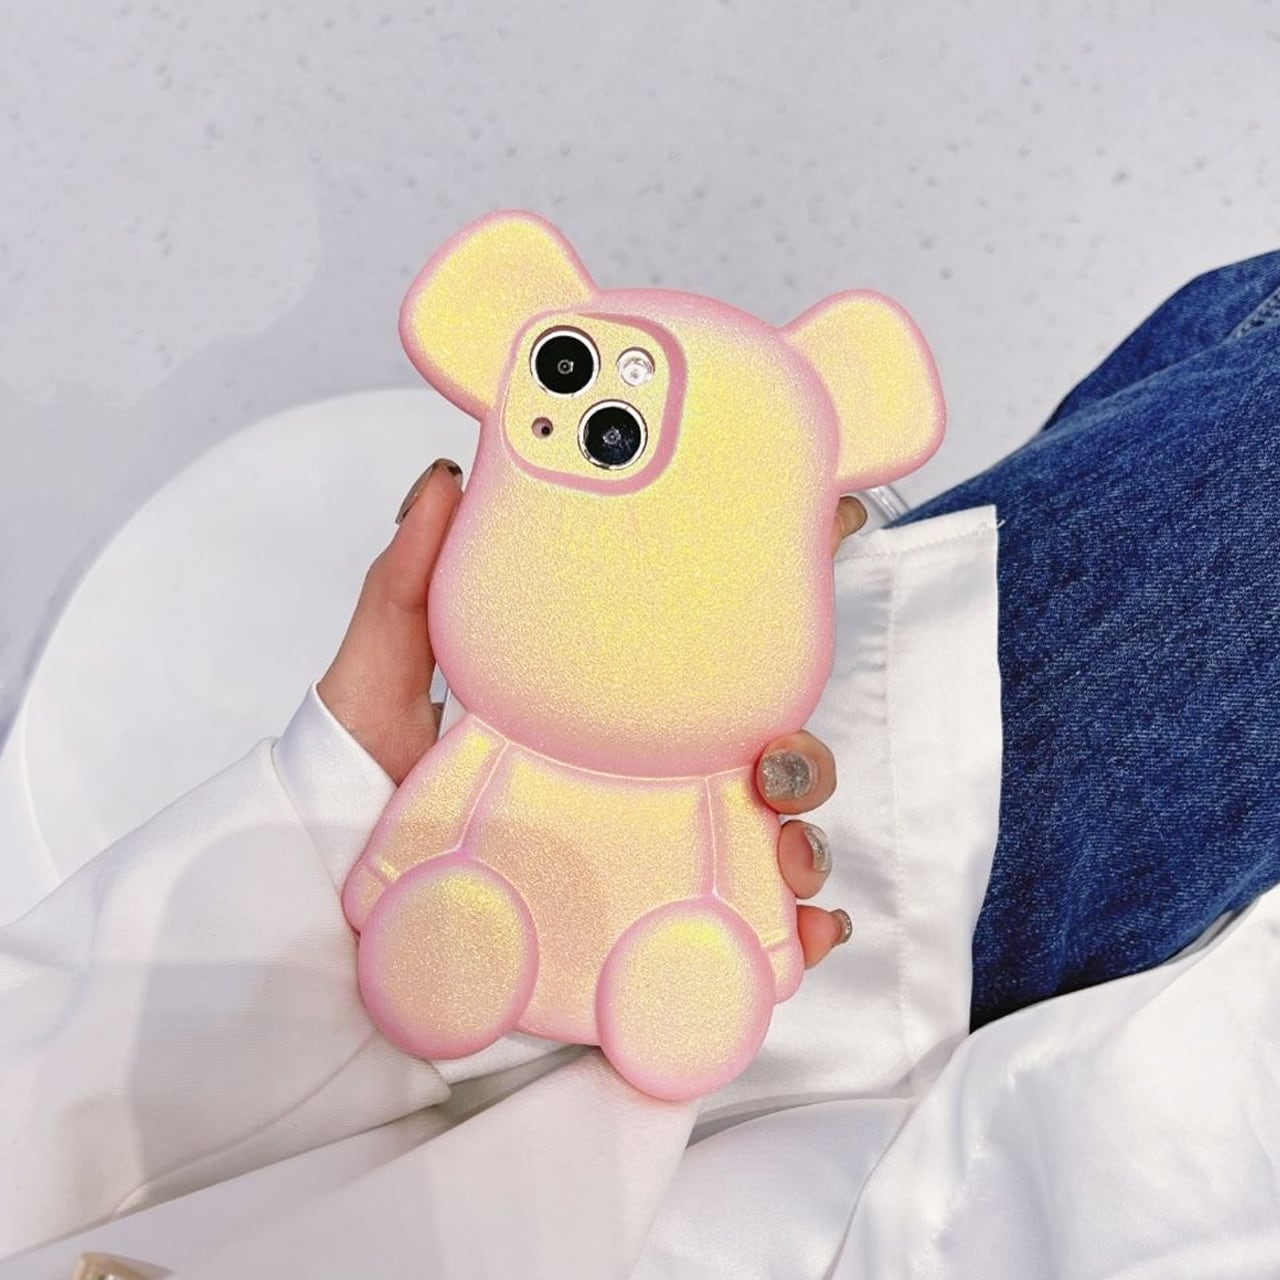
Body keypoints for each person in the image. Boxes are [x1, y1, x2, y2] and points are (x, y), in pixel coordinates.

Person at [1, 248, 1277, 1277]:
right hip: (783, 1175)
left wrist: (347, 815)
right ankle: (558, 946)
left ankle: (635, 955)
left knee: (1230, 350)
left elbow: (60, 1077)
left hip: (615, 1011)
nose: (608, 428)